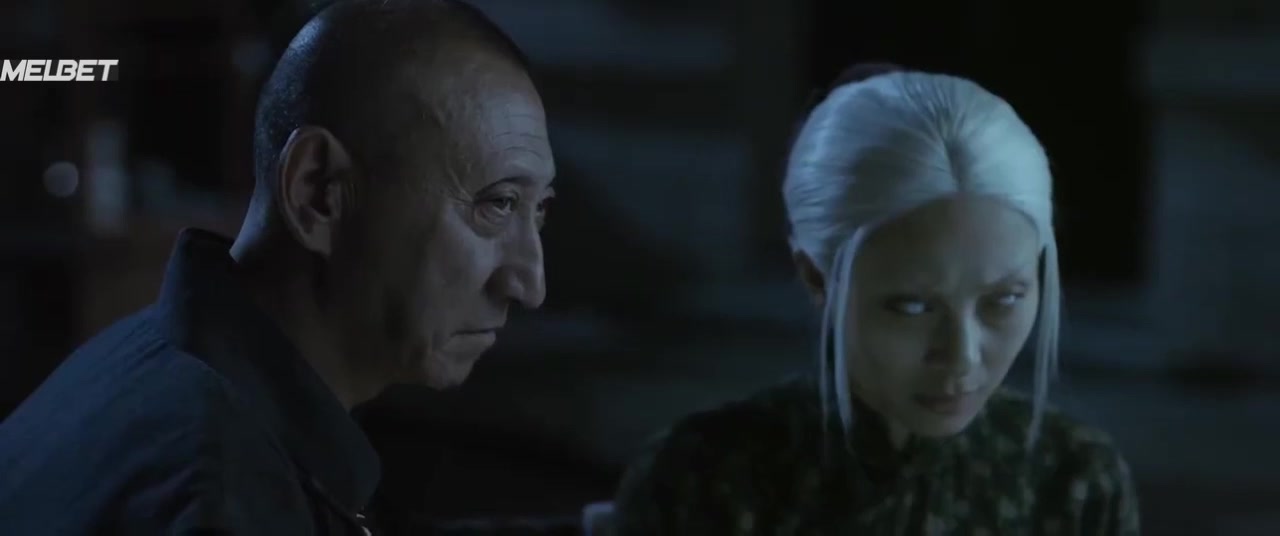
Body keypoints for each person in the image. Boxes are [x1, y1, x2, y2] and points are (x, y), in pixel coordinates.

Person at [0, 0, 554, 533]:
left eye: (539, 210)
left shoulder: (170, 361)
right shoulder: (222, 493)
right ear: (319, 191)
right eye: (497, 203)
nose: (530, 285)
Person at [609, 64, 1140, 534]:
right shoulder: (709, 480)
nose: (961, 357)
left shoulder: (1072, 479)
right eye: (913, 307)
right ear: (816, 278)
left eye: (1003, 300)